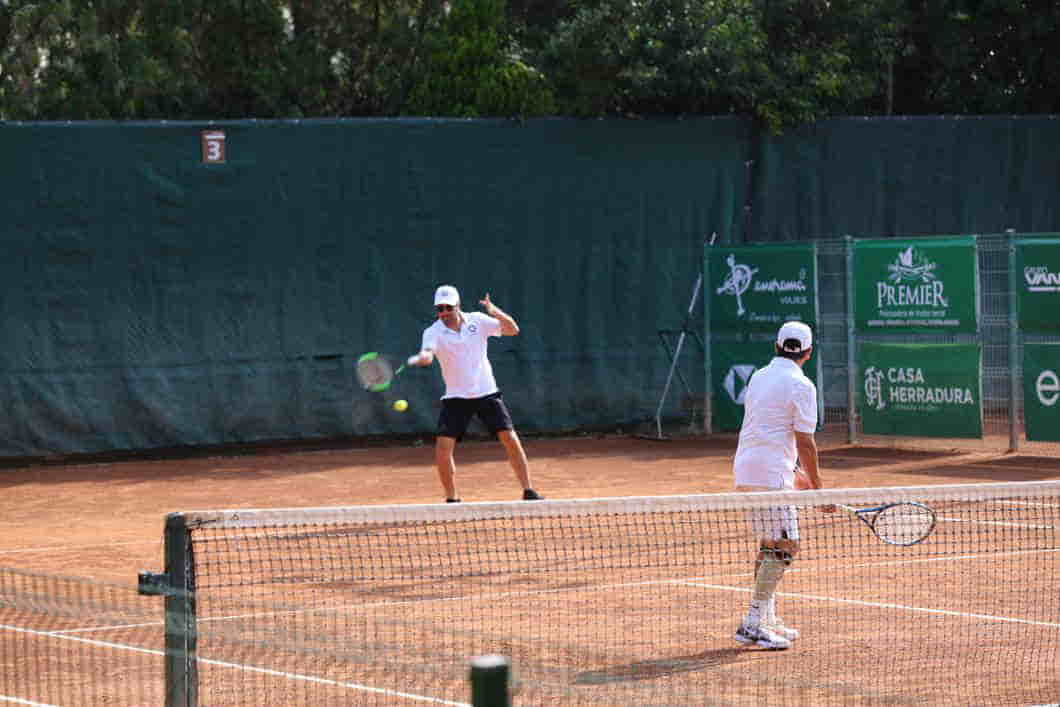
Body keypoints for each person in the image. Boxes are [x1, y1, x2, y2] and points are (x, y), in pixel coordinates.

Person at [731, 320, 833, 650]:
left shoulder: (759, 376)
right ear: (809, 352)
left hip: (747, 469)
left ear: (776, 346)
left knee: (769, 544)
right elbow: (805, 442)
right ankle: (752, 623)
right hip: (771, 475)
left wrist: (795, 472)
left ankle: (767, 617)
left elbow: (767, 428)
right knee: (787, 546)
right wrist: (818, 488)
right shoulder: (802, 386)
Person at [406, 285, 543, 503]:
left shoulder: (478, 321)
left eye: (448, 307)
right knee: (443, 447)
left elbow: (513, 329)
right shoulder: (432, 332)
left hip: (486, 392)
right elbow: (428, 352)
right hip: (456, 397)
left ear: (458, 306)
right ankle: (452, 498)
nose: (444, 312)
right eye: (439, 309)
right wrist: (425, 357)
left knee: (510, 438)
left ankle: (528, 490)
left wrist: (494, 311)